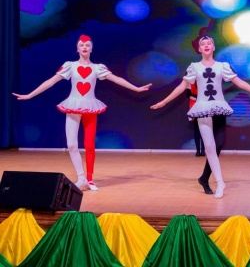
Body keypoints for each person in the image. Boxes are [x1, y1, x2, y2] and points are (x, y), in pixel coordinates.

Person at [12, 35, 152, 191]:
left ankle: (90, 179)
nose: (84, 47)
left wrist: (136, 88)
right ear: (77, 49)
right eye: (81, 45)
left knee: (89, 145)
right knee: (71, 144)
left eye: (87, 45)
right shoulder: (70, 66)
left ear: (91, 48)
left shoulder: (98, 68)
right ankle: (81, 178)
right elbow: (50, 81)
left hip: (90, 107)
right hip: (73, 106)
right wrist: (30, 95)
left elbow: (116, 79)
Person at [150, 35, 250, 199]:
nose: (206, 45)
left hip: (218, 107)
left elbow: (239, 82)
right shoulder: (194, 67)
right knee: (209, 147)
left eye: (209, 43)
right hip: (202, 108)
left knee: (218, 144)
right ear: (199, 49)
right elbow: (182, 87)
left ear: (213, 47)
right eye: (203, 44)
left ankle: (206, 178)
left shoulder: (222, 66)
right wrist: (164, 101)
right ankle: (220, 182)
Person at [186, 82, 206, 157]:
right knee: (197, 130)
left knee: (204, 130)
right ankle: (198, 150)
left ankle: (203, 150)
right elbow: (188, 95)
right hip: (194, 107)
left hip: (204, 107)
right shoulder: (190, 83)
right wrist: (198, 99)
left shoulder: (204, 82)